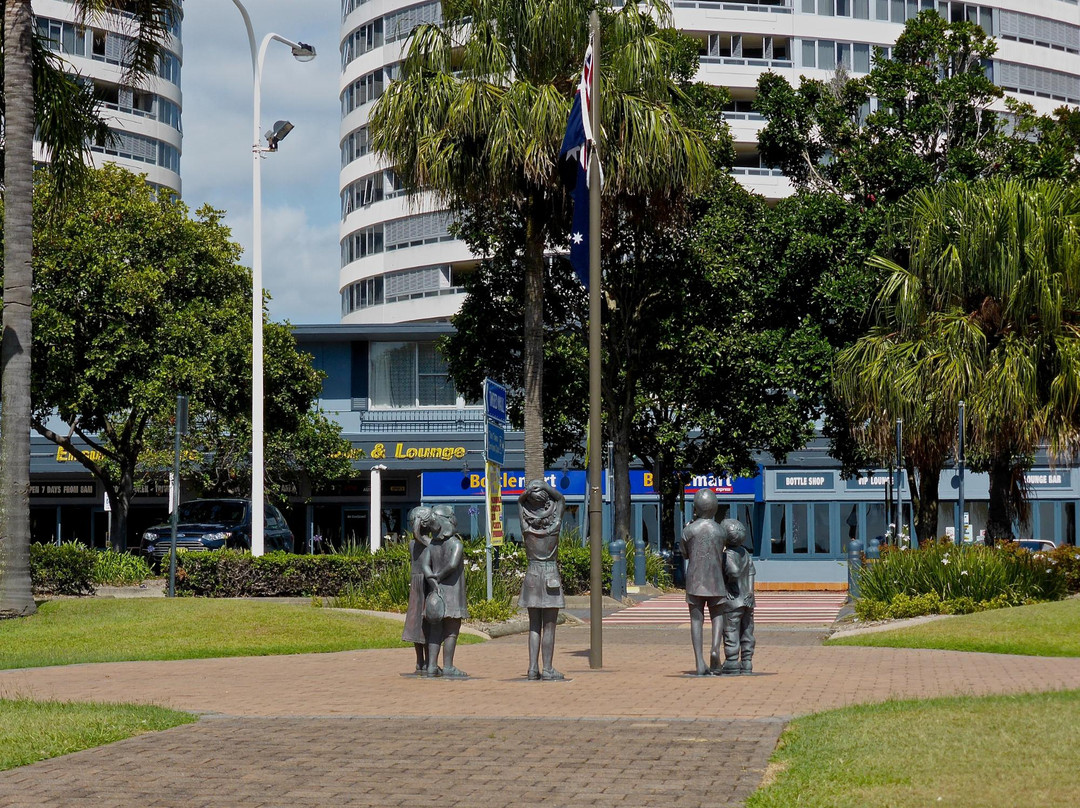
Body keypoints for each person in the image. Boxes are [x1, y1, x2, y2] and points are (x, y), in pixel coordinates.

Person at [518, 479, 566, 681]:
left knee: (534, 625)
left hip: (532, 575)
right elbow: (561, 499)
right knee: (549, 626)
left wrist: (528, 492)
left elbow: (519, 502)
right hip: (550, 574)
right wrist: (546, 487)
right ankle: (547, 668)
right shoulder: (555, 526)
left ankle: (532, 668)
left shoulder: (526, 527)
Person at [681, 488, 727, 676]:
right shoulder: (721, 530)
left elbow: (685, 553)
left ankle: (699, 661)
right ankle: (715, 649)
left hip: (695, 580)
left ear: (696, 508)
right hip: (716, 579)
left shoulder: (689, 530)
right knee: (718, 616)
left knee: (696, 619)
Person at [423, 504, 469, 678]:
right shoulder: (456, 544)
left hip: (436, 593)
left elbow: (425, 565)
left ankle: (432, 666)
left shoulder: (432, 545)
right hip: (452, 592)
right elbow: (452, 564)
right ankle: (448, 666)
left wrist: (433, 580)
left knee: (435, 630)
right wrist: (439, 576)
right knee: (451, 630)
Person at [718, 517, 755, 675]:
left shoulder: (727, 554)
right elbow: (751, 572)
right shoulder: (745, 552)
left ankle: (732, 660)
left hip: (733, 600)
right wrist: (751, 592)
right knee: (747, 631)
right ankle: (747, 661)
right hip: (748, 599)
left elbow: (734, 571)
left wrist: (730, 584)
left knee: (730, 629)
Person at [402, 506, 435, 673]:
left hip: (416, 585)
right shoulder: (431, 544)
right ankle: (428, 661)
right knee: (428, 622)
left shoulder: (412, 544)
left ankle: (420, 661)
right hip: (427, 584)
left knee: (416, 622)